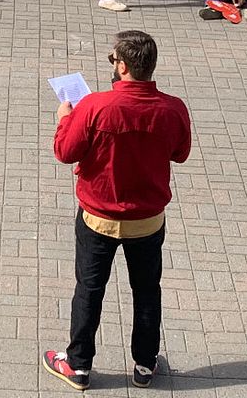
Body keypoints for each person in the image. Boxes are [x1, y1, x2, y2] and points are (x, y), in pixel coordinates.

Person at [43, 30, 192, 391]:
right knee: (146, 290)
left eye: (113, 60)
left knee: (89, 289)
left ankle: (78, 366)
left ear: (123, 66)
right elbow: (180, 153)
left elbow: (65, 152)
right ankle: (144, 364)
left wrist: (65, 118)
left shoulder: (94, 106)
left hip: (99, 218)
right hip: (147, 220)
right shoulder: (172, 108)